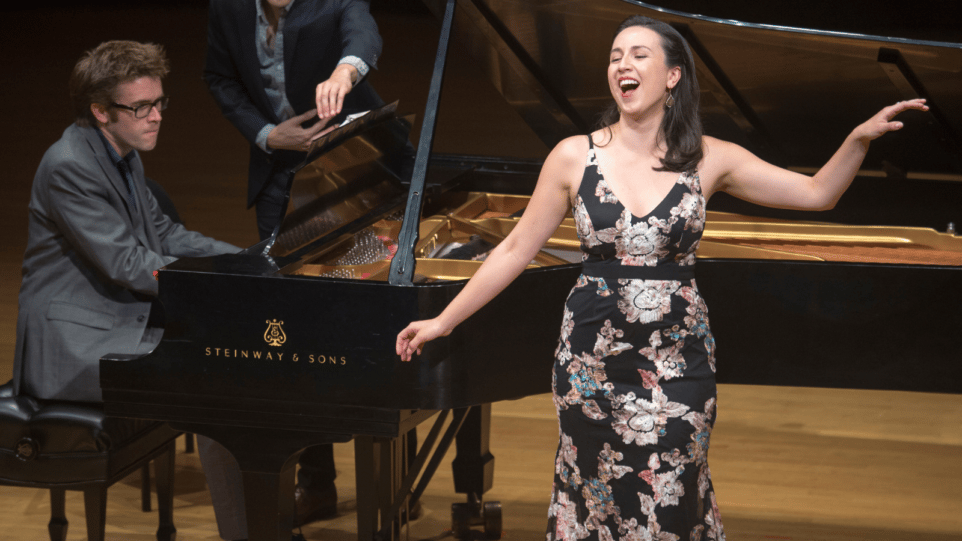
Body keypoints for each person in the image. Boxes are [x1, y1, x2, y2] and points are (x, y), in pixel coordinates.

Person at [396, 15, 927, 540]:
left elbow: (817, 194)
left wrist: (857, 140)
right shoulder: (573, 156)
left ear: (673, 76)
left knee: (673, 497)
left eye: (638, 55)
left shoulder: (711, 157)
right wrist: (443, 320)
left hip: (678, 362)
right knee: (594, 498)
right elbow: (513, 249)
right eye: (614, 57)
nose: (622, 65)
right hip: (591, 365)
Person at [10, 39, 252, 539]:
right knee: (217, 394)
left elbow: (164, 233)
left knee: (232, 371)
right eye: (140, 107)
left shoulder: (120, 150)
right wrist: (215, 287)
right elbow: (127, 263)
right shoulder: (69, 166)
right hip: (76, 341)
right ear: (100, 110)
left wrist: (241, 259)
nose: (156, 116)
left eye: (159, 102)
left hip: (111, 315)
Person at [203, 0, 385, 528]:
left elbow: (363, 34)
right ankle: (316, 482)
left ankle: (388, 472)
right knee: (295, 338)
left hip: (350, 169)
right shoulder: (229, 8)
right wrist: (265, 134)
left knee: (362, 321)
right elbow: (219, 77)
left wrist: (344, 72)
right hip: (279, 170)